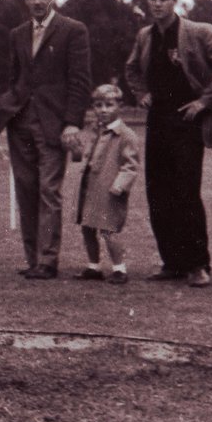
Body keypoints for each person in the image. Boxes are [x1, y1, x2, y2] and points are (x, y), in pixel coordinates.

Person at [124, 0, 212, 288]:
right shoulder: (146, 36)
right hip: (158, 120)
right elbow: (131, 69)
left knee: (186, 192)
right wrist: (141, 93)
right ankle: (172, 263)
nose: (157, 5)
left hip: (187, 121)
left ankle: (198, 265)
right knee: (158, 193)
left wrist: (205, 101)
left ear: (175, 1)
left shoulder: (199, 31)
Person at [0, 0, 91, 279]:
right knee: (26, 190)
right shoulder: (17, 34)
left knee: (49, 190)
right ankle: (33, 259)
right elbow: (14, 77)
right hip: (20, 121)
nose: (37, 1)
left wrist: (72, 123)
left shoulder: (73, 30)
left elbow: (80, 81)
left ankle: (48, 260)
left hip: (53, 123)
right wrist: (9, 104)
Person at [73, 84, 139, 285]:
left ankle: (119, 269)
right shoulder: (94, 130)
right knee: (87, 227)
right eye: (98, 105)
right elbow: (86, 154)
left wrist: (120, 184)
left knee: (109, 230)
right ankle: (93, 266)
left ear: (120, 106)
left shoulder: (126, 135)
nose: (103, 110)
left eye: (109, 105)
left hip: (110, 190)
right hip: (89, 187)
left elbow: (131, 165)